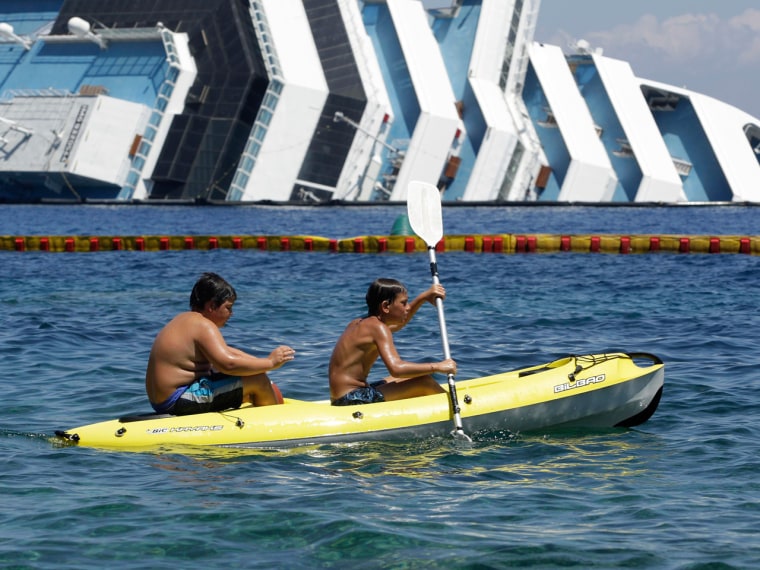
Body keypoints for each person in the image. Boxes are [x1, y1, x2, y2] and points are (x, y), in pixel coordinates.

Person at [145, 272, 295, 415]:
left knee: (247, 379)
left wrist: (260, 364)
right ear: (211, 306)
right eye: (228, 307)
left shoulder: (184, 320)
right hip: (179, 400)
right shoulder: (203, 325)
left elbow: (229, 353)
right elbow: (228, 364)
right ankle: (274, 421)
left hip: (163, 401)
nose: (231, 313)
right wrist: (269, 363)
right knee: (257, 380)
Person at [329, 278, 455, 406]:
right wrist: (438, 367)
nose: (407, 308)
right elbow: (396, 369)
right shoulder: (378, 328)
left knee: (408, 378)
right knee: (425, 381)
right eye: (403, 303)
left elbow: (400, 323)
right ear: (385, 306)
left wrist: (423, 297)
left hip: (344, 396)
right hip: (351, 399)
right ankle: (453, 407)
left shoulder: (360, 323)